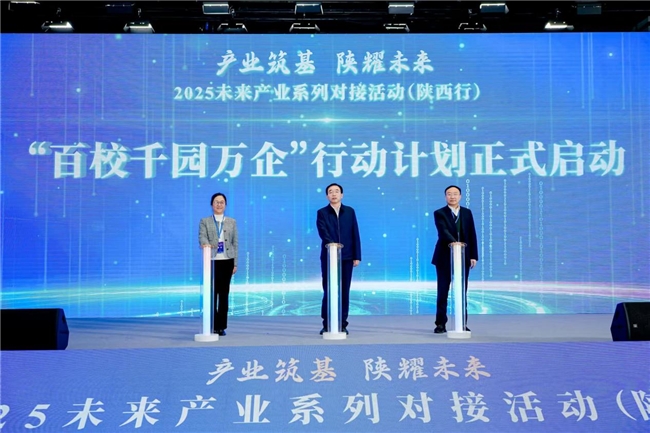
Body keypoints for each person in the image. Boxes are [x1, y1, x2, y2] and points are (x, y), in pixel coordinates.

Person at [431, 185, 478, 334]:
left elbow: (472, 234)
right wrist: (455, 243)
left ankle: (462, 323)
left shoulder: (467, 213)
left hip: (464, 257)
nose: (452, 196)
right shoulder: (439, 213)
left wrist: (473, 255)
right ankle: (440, 324)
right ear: (445, 196)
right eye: (449, 194)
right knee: (443, 291)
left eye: (455, 194)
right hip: (444, 257)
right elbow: (443, 231)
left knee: (462, 291)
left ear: (460, 196)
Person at [316, 183, 361, 335]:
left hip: (347, 257)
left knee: (344, 291)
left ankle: (342, 324)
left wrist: (357, 255)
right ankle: (327, 324)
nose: (334, 194)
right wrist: (333, 246)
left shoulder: (350, 211)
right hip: (329, 257)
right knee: (329, 290)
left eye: (336, 191)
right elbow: (323, 232)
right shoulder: (322, 212)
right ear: (327, 196)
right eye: (330, 192)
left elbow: (355, 233)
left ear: (342, 195)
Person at [198, 193, 238, 336]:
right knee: (212, 294)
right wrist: (206, 244)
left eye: (222, 202)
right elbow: (202, 236)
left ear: (225, 205)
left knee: (224, 294)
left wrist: (235, 263)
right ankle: (212, 325)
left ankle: (221, 326)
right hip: (211, 261)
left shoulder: (232, 222)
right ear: (212, 204)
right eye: (216, 202)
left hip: (227, 261)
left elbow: (235, 243)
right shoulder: (205, 221)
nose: (219, 204)